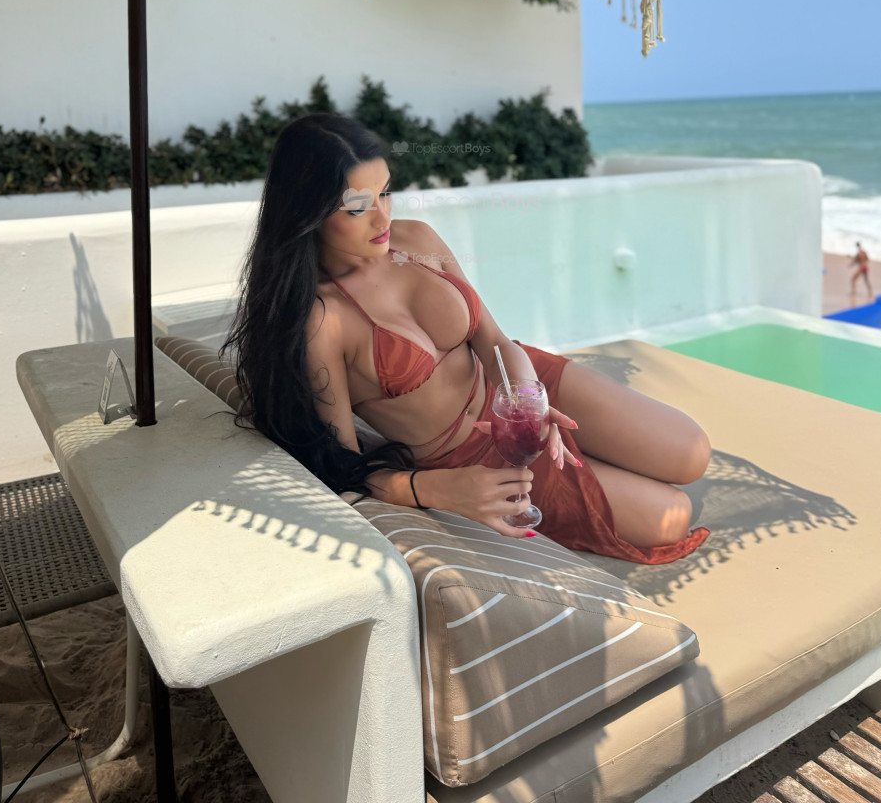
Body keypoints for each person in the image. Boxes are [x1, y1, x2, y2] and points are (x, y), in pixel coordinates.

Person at [224, 114, 710, 565]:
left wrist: (529, 403)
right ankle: (589, 459)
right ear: (307, 213)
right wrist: (439, 490)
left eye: (386, 192)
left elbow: (493, 339)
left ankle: (582, 446)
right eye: (357, 207)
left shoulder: (417, 240)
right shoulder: (321, 320)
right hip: (473, 459)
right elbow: (341, 465)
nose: (382, 219)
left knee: (692, 451)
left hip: (519, 385)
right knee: (670, 516)